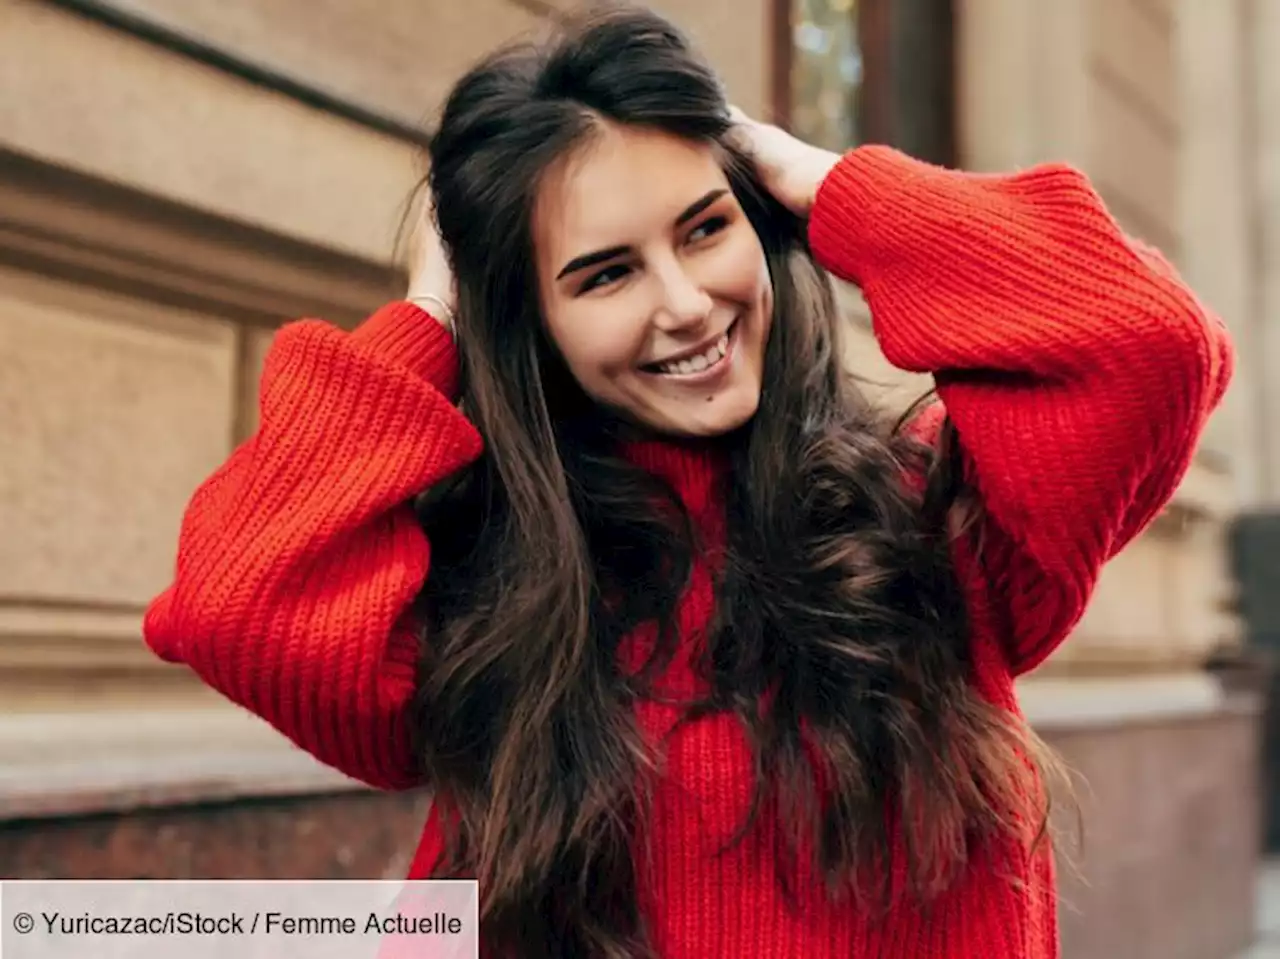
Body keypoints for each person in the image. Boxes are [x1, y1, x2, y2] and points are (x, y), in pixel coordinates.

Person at [142, 4, 1233, 957]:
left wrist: (817, 177)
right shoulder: (480, 574)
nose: (684, 304)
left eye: (704, 228)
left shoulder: (928, 518)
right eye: (605, 272)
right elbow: (241, 602)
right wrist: (430, 314)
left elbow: (1143, 341)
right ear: (530, 322)